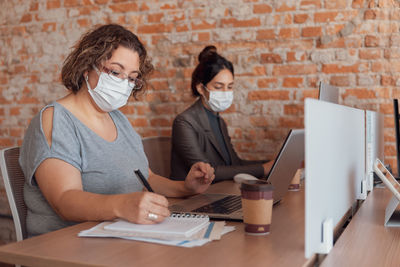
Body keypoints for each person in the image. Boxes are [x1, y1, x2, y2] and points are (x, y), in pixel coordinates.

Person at [19, 24, 215, 237]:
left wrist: (185, 188)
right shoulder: (55, 119)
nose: (124, 83)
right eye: (115, 71)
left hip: (117, 237)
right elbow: (64, 200)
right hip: (65, 245)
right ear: (87, 66)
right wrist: (122, 205)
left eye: (131, 77)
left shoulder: (118, 119)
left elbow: (144, 178)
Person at [170, 45, 273, 182]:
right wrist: (263, 168)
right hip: (192, 198)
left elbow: (234, 164)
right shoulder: (184, 122)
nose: (225, 92)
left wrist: (271, 163)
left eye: (229, 87)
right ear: (201, 88)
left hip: (219, 192)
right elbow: (207, 172)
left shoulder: (219, 121)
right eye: (218, 87)